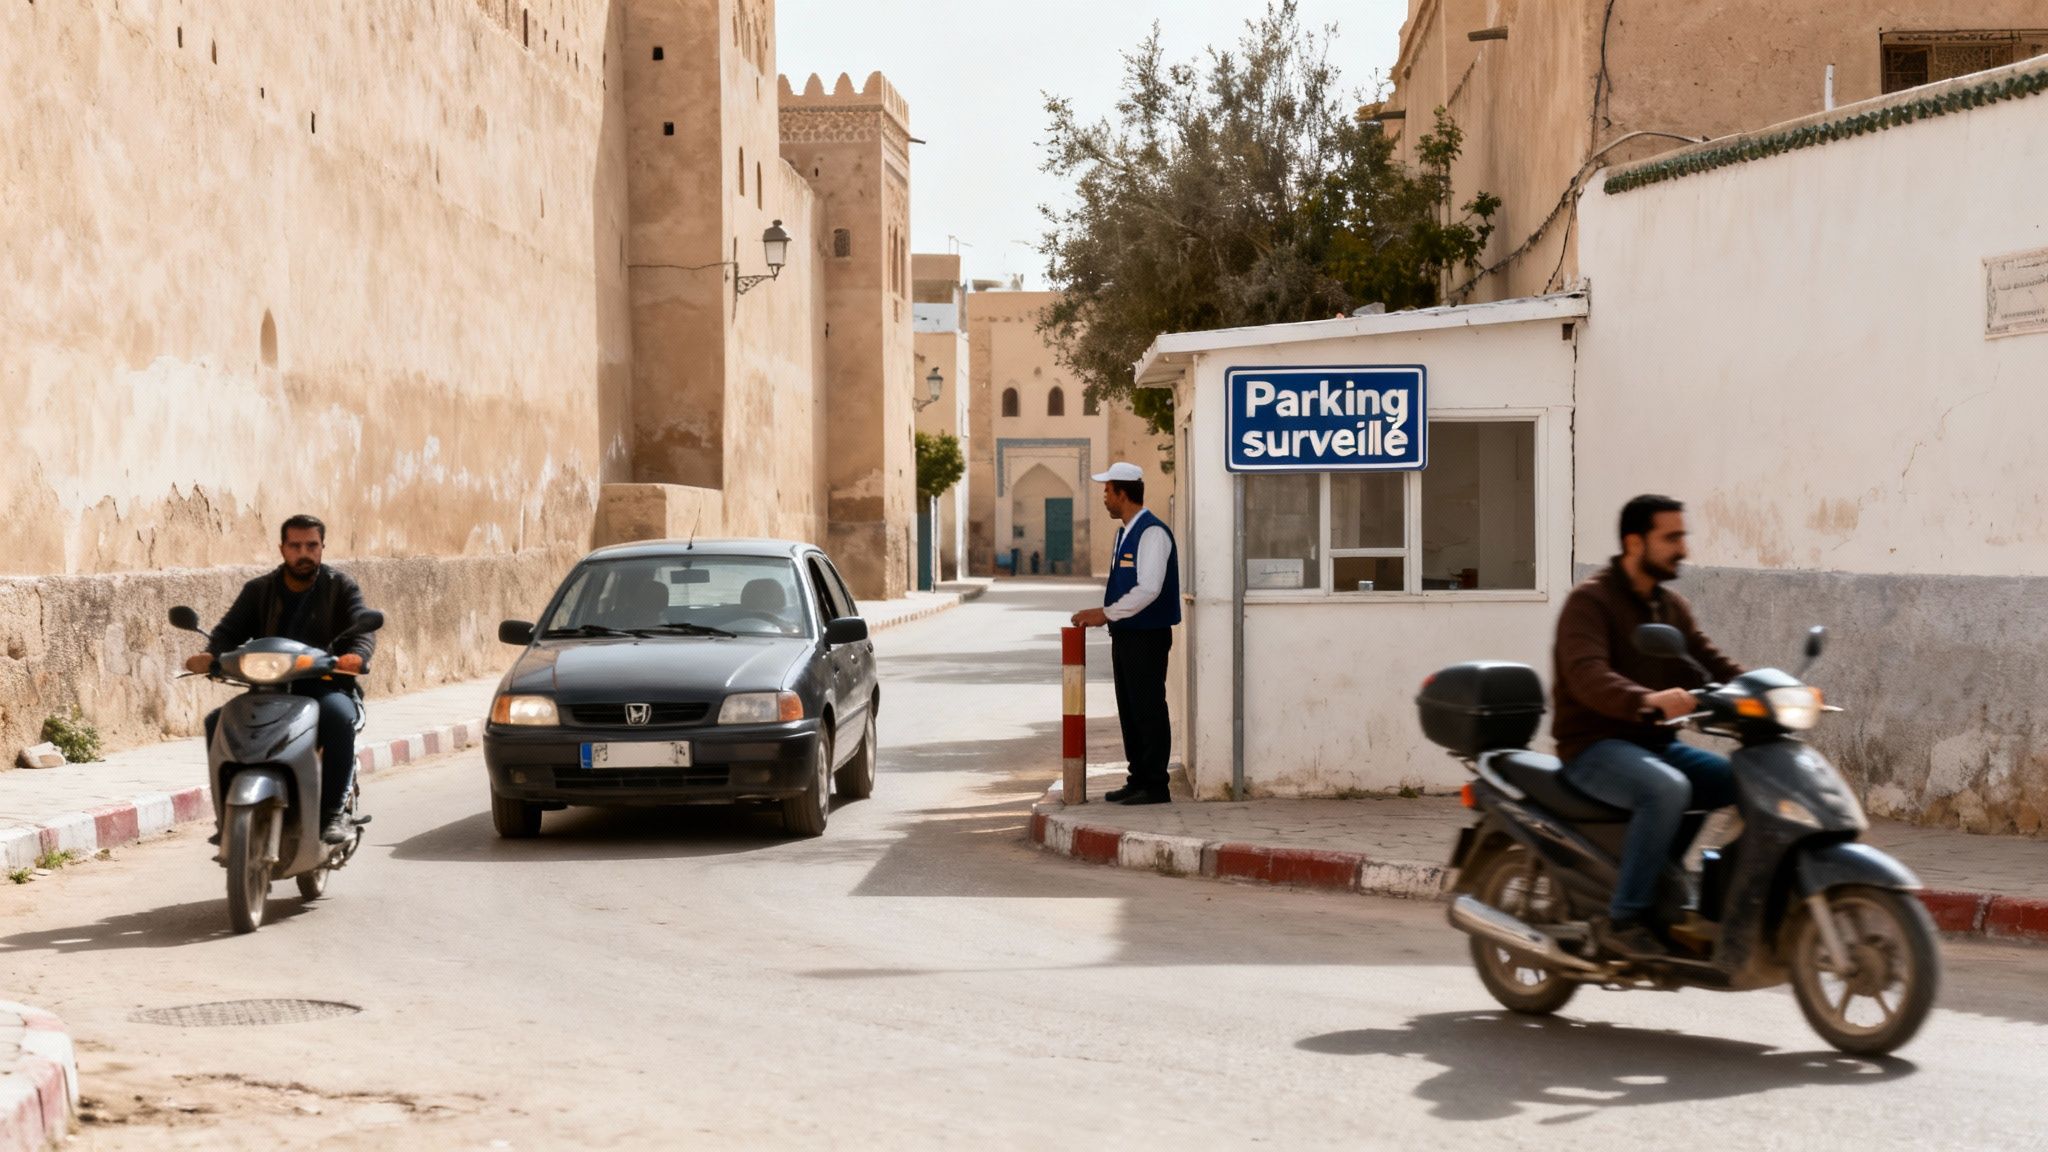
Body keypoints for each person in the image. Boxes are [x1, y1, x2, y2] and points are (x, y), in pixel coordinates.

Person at [1553, 494, 1743, 955]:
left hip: (1652, 745)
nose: (1683, 548)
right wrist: (1648, 700)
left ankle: (1672, 883)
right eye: (1672, 537)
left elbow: (1709, 660)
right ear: (1635, 542)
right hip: (1594, 747)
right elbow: (1587, 674)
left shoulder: (1670, 606)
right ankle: (1626, 920)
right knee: (1667, 789)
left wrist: (1767, 691)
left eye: (1683, 536)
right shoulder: (1590, 602)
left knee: (1744, 782)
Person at [187, 514, 377, 844]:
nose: (303, 553)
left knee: (338, 717)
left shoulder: (339, 587)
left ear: (322, 548)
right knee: (217, 722)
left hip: (324, 685)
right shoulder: (258, 590)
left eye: (311, 546)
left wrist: (356, 656)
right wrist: (212, 656)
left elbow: (362, 628)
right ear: (282, 548)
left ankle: (334, 814)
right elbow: (227, 633)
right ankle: (228, 818)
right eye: (295, 546)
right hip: (268, 687)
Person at [1069, 462, 1180, 805]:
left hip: (1147, 635)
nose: (1104, 497)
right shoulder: (1125, 533)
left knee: (1148, 709)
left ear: (1122, 493)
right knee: (1130, 709)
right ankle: (1138, 778)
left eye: (1107, 491)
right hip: (1128, 634)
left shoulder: (1153, 533)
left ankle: (1156, 785)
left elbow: (1149, 589)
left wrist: (1105, 614)